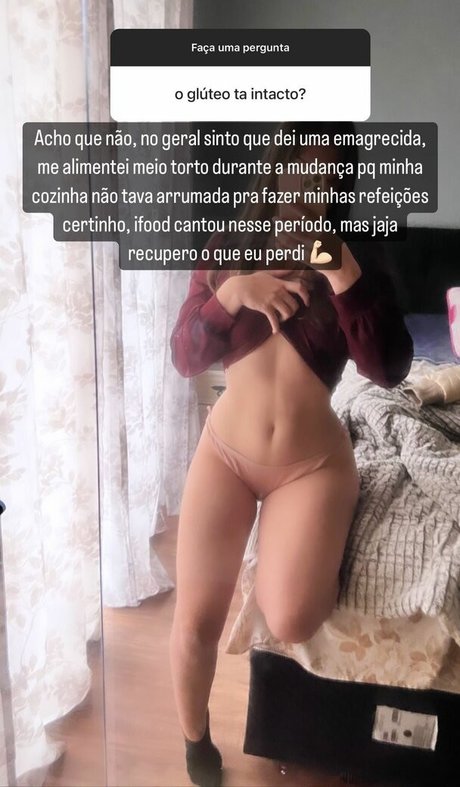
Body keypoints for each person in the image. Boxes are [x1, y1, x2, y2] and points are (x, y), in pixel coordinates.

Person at [168, 122, 414, 787]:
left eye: (328, 175)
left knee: (293, 616)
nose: (311, 187)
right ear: (275, 171)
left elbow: (389, 368)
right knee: (194, 621)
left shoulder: (358, 256)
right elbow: (185, 354)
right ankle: (196, 742)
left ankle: (318, 526)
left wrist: (340, 267)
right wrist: (233, 293)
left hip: (311, 465)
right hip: (227, 452)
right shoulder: (229, 246)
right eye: (300, 169)